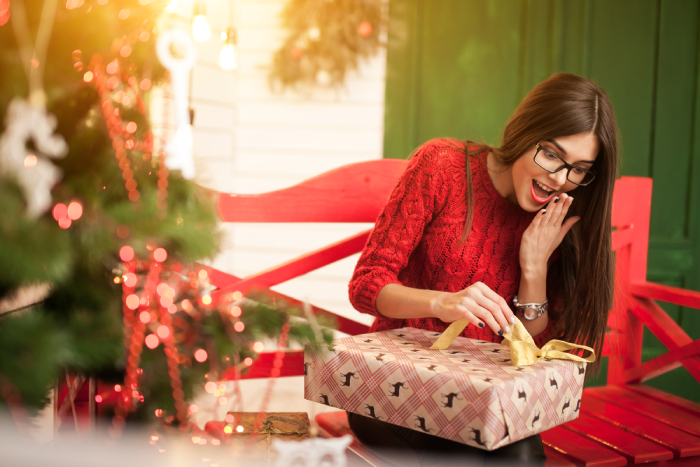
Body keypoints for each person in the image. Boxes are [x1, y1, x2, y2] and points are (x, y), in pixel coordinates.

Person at [347, 73, 619, 466]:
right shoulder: (441, 166)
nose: (560, 178)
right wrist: (444, 304)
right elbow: (366, 285)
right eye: (552, 155)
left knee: (521, 454)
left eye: (578, 168)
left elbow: (534, 344)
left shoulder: (557, 216)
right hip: (391, 388)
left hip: (482, 398)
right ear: (525, 132)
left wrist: (534, 267)